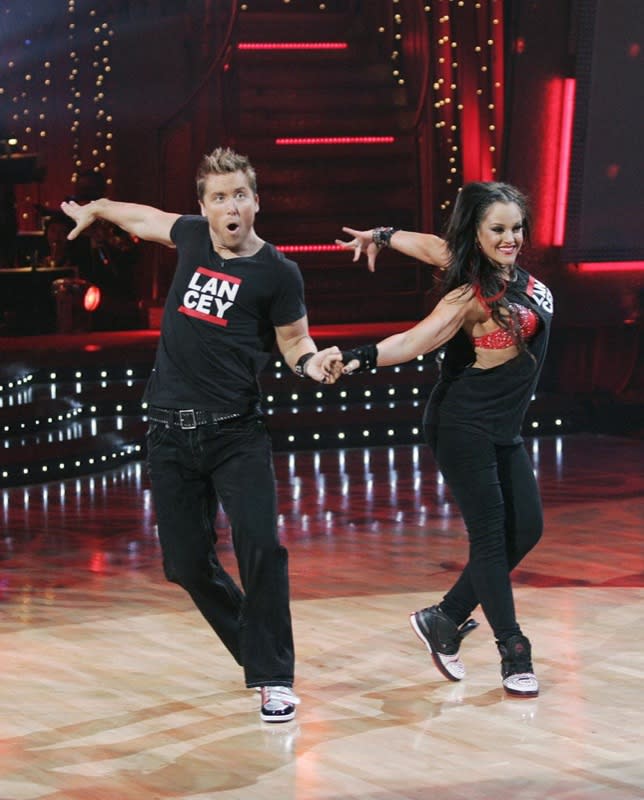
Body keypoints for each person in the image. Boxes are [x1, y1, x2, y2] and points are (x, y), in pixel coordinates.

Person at [61, 146, 342, 723]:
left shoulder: (277, 273)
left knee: (260, 548)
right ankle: (259, 655)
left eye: (240, 194)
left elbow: (294, 342)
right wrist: (101, 207)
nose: (231, 205)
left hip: (235, 433)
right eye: (219, 197)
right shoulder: (190, 237)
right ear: (204, 207)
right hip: (167, 432)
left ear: (256, 202)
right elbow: (144, 219)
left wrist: (313, 365)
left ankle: (274, 677)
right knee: (186, 566)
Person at [331, 182, 553, 697]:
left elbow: (430, 244)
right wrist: (358, 357)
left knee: (529, 529)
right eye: (497, 229)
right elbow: (413, 341)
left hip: (503, 428)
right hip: (462, 425)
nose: (510, 238)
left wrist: (383, 236)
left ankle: (446, 617)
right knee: (493, 538)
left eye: (516, 227)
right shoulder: (468, 294)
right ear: (477, 234)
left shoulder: (506, 272)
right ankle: (513, 650)